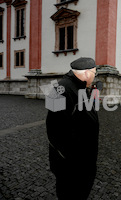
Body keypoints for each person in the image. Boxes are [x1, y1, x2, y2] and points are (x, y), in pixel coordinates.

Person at [46, 57, 99, 200]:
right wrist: (69, 157)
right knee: (71, 194)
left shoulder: (81, 86)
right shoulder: (60, 89)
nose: (95, 76)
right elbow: (53, 128)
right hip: (72, 163)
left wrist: (94, 95)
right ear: (87, 73)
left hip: (83, 159)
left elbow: (86, 112)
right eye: (95, 73)